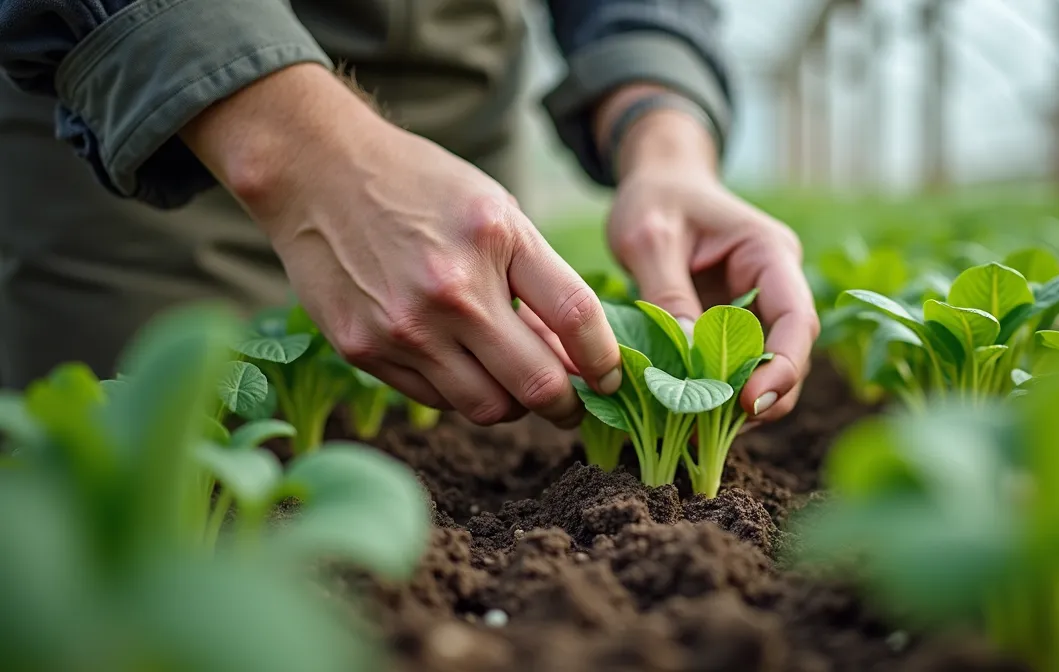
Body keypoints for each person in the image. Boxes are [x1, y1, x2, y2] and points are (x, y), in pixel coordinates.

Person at [0, 0, 818, 429]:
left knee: (463, 416)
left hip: (456, 116)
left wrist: (661, 131)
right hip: (146, 123)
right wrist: (293, 149)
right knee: (156, 466)